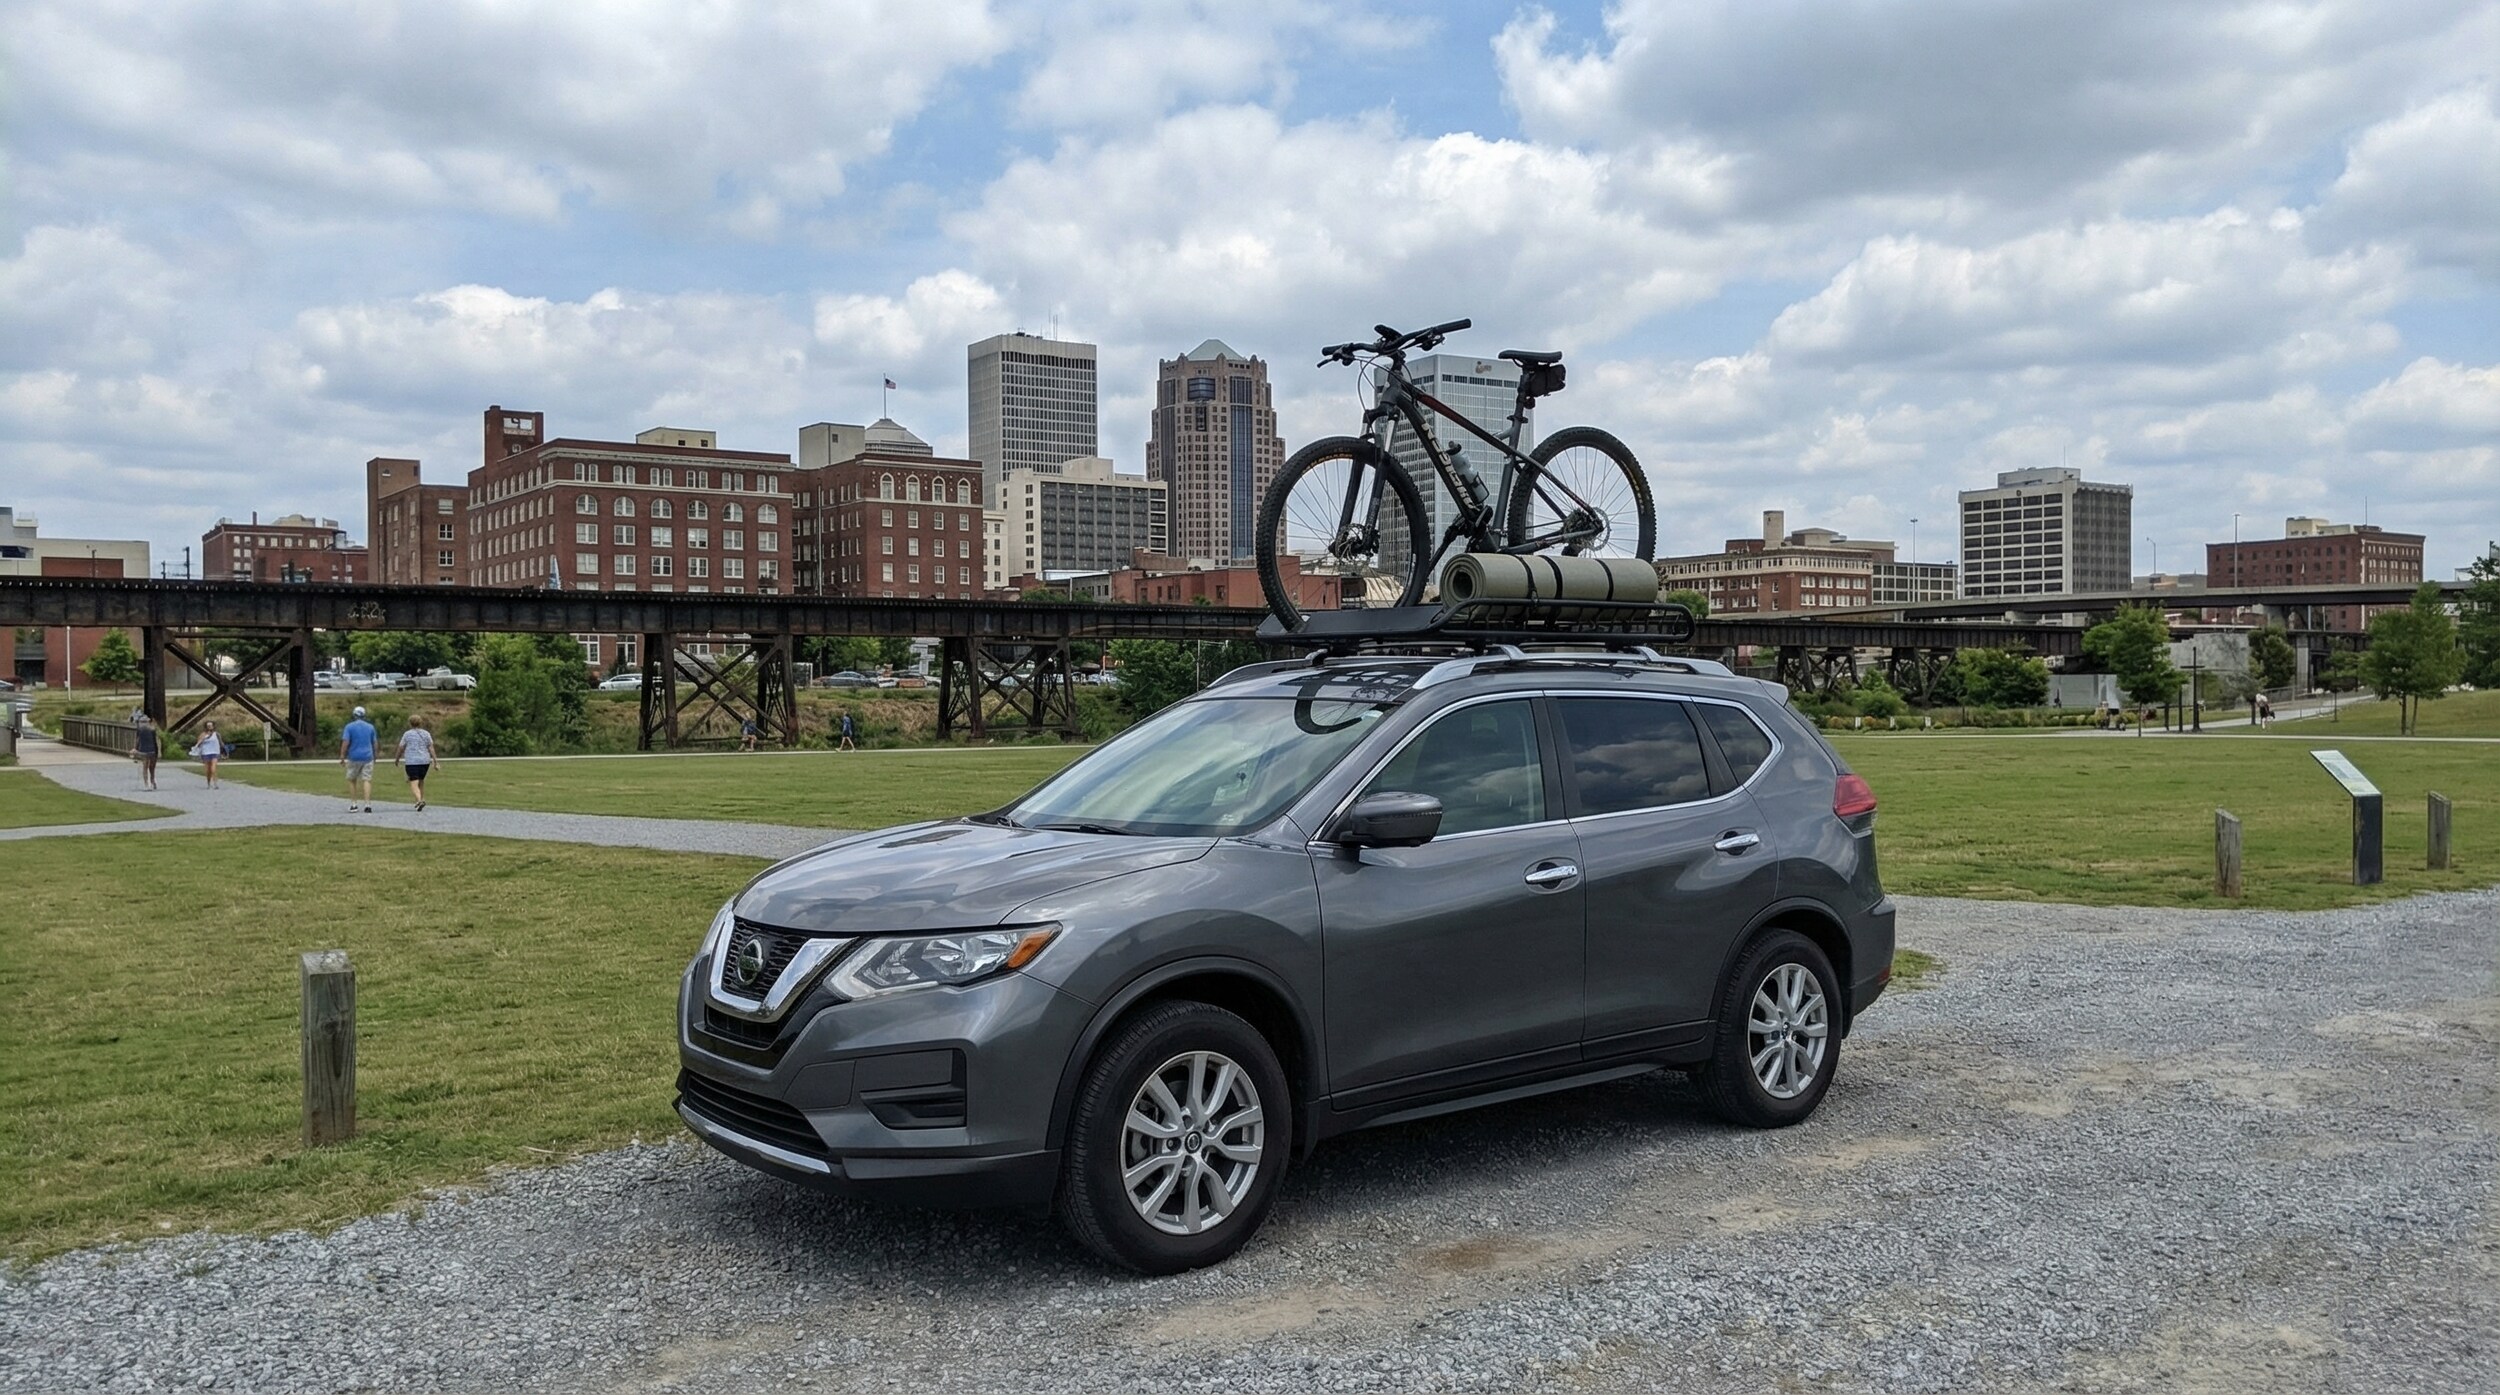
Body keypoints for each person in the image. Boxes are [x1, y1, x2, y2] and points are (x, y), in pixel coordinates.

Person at [340, 705, 378, 813]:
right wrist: (376, 754)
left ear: (354, 715)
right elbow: (374, 742)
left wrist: (342, 755)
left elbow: (346, 742)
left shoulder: (349, 727)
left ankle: (354, 804)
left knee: (352, 779)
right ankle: (367, 804)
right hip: (367, 756)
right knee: (367, 779)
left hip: (354, 756)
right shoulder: (370, 727)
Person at [395, 714, 435, 811]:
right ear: (420, 722)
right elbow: (430, 747)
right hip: (425, 761)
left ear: (410, 723)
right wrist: (435, 760)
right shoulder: (426, 734)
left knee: (413, 782)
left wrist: (397, 758)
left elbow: (401, 747)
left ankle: (419, 800)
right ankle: (422, 798)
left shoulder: (407, 734)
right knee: (421, 780)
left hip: (412, 761)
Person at [132, 713, 160, 791]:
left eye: (145, 722)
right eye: (142, 722)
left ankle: (152, 780)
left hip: (153, 749)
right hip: (143, 749)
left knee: (152, 767)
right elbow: (137, 740)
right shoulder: (139, 730)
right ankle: (146, 784)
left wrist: (159, 751)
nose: (143, 724)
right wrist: (135, 749)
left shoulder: (152, 730)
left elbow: (157, 740)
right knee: (145, 766)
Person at [193, 721, 226, 788]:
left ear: (213, 726)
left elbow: (221, 743)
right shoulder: (203, 734)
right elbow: (198, 744)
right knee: (208, 770)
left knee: (213, 768)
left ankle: (215, 783)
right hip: (206, 753)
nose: (209, 727)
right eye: (208, 725)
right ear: (206, 727)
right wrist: (200, 741)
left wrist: (223, 751)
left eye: (211, 725)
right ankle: (208, 782)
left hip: (215, 752)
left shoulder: (216, 734)